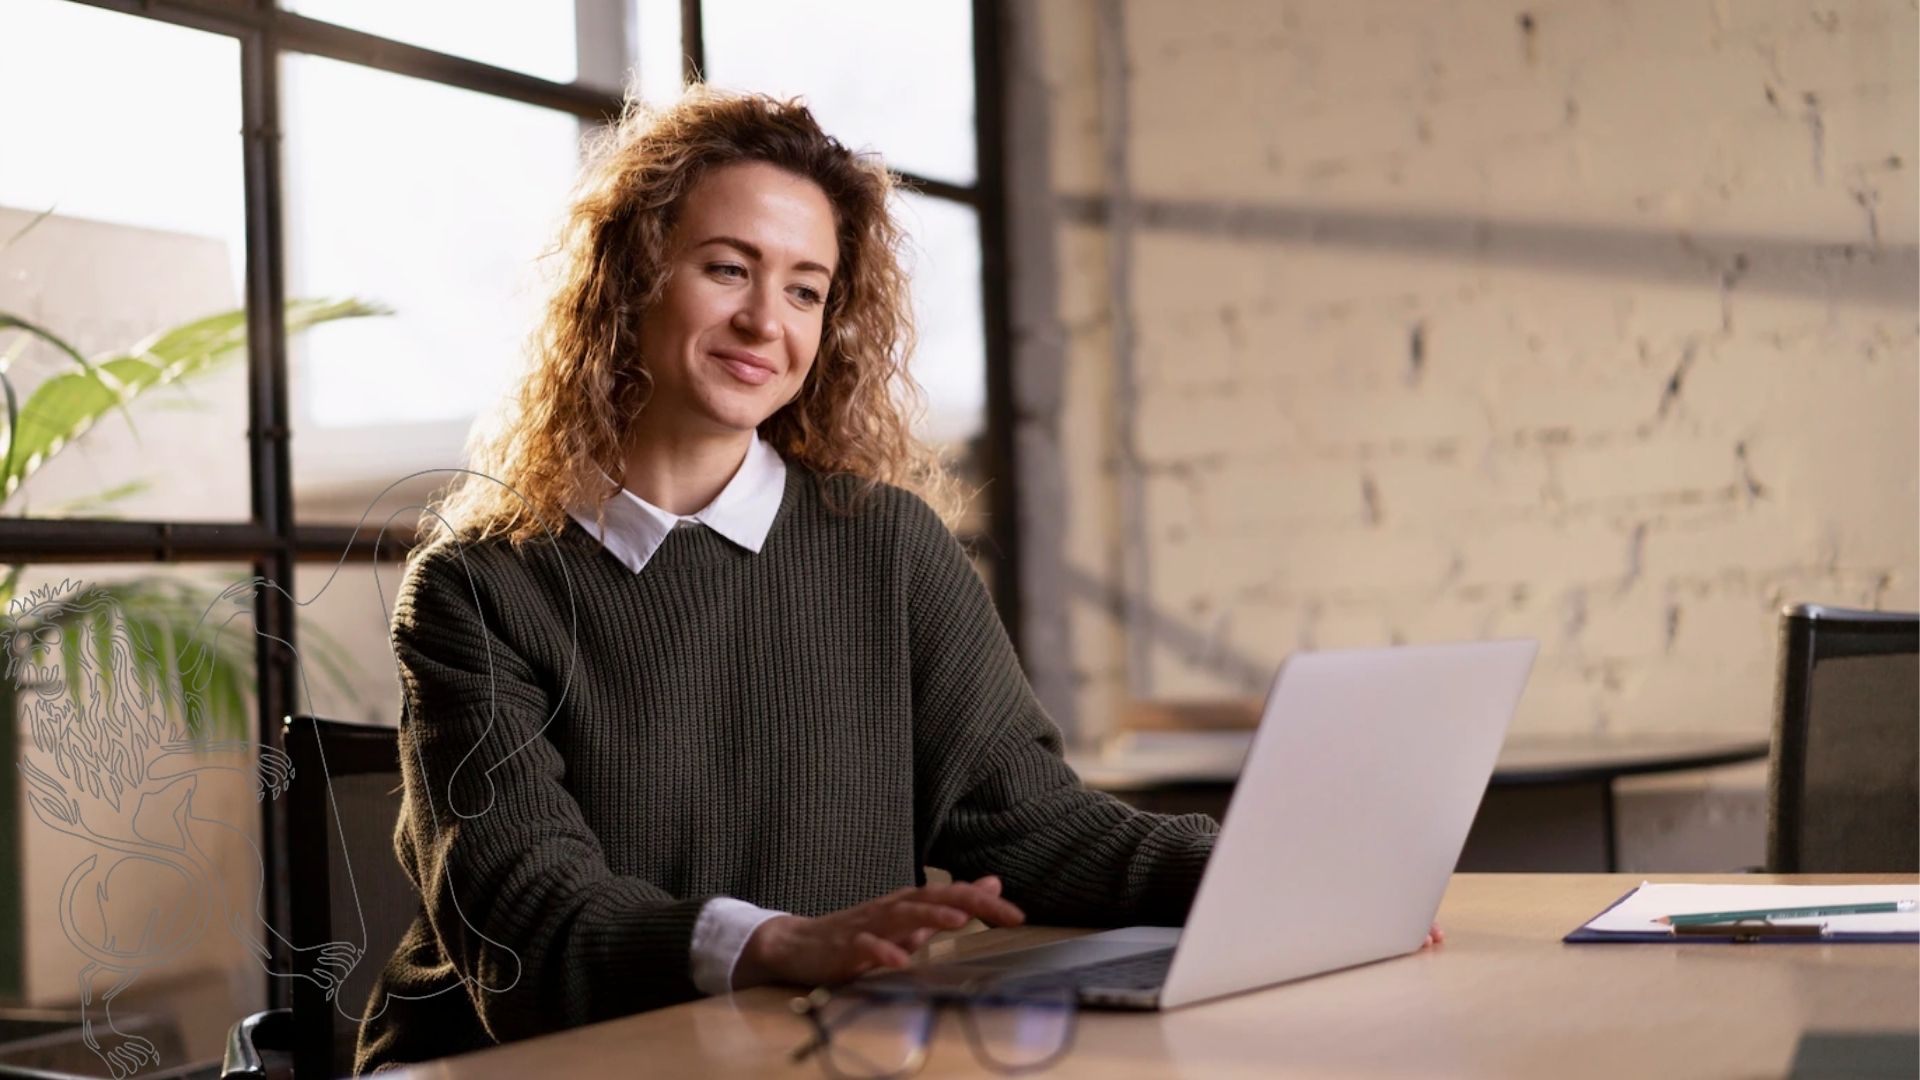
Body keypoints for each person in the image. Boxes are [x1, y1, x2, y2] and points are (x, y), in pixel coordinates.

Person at [360, 86, 1394, 1073]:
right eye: (728, 269)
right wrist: (775, 947)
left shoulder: (886, 547)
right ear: (629, 280)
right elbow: (526, 921)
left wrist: (1265, 873)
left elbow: (1030, 823)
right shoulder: (478, 587)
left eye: (806, 289)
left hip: (815, 1052)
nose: (770, 321)